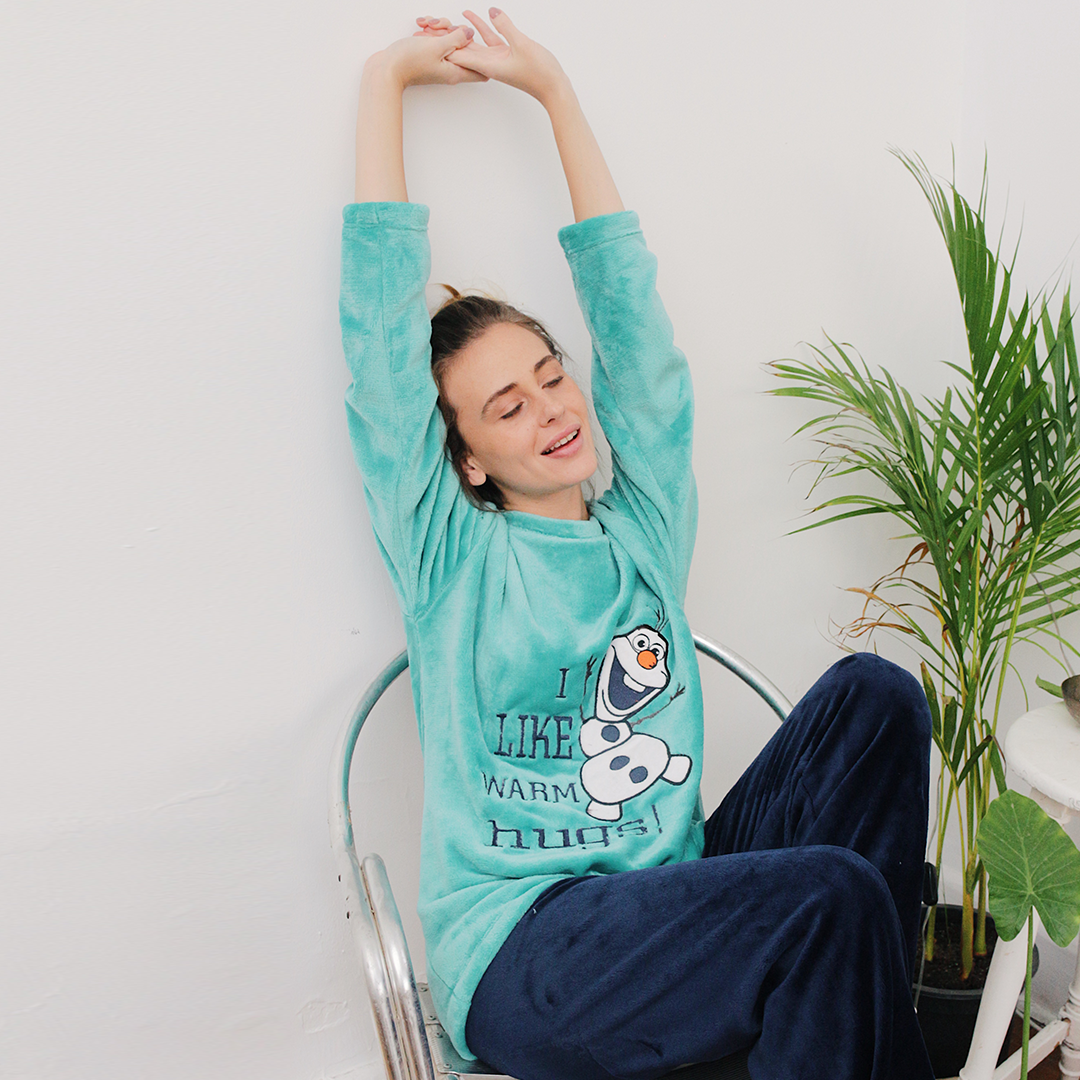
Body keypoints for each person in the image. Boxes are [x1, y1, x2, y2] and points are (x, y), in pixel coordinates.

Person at [339, 11, 934, 1080]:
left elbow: (635, 332)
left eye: (551, 377)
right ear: (464, 458)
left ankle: (836, 1042)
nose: (550, 410)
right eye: (507, 408)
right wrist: (386, 83)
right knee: (829, 894)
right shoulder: (450, 562)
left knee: (878, 698)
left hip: (665, 905)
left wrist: (554, 93)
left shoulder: (642, 528)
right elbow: (382, 364)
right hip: (530, 948)